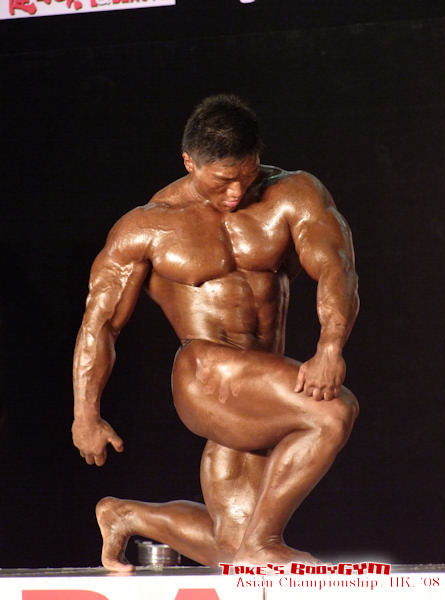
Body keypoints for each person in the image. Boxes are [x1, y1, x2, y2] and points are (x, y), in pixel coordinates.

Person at [72, 94, 359, 571]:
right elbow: (100, 323)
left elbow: (337, 268)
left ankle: (125, 516)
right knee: (332, 412)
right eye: (223, 180)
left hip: (260, 384)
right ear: (190, 162)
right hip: (204, 373)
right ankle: (265, 543)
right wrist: (86, 413)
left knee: (232, 548)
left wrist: (330, 347)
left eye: (247, 175)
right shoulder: (147, 226)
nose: (235, 192)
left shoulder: (294, 193)